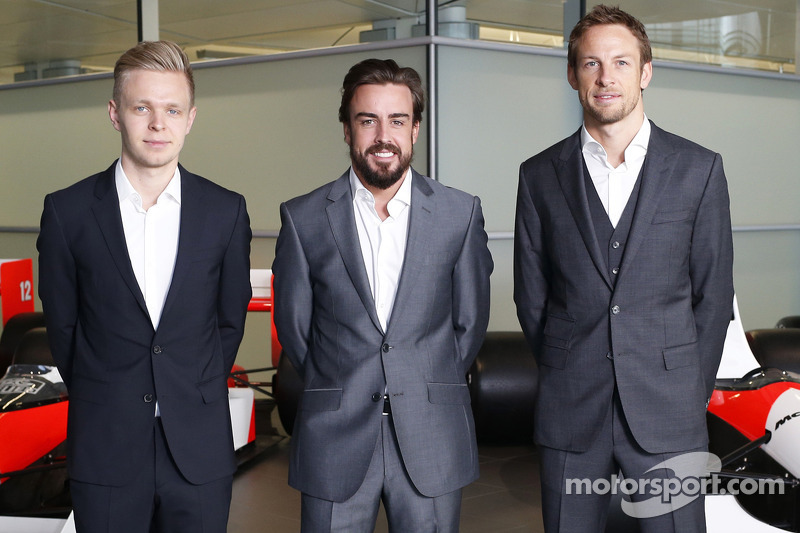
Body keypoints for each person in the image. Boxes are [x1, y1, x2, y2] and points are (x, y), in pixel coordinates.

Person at [513, 5, 734, 532]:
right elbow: (532, 296)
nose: (605, 77)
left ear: (646, 72)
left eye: (620, 62)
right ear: (573, 75)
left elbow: (714, 293)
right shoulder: (539, 175)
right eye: (591, 64)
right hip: (571, 407)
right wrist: (567, 367)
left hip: (669, 409)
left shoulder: (699, 169)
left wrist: (688, 387)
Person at [37, 41, 251, 533]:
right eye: (142, 107)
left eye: (172, 109)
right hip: (106, 445)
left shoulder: (226, 211)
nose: (159, 123)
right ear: (115, 114)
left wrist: (188, 387)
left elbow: (228, 322)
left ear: (191, 117)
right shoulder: (67, 213)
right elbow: (65, 329)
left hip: (197, 452)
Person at [272, 58, 493, 532]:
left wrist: (423, 380)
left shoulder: (459, 214)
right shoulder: (303, 218)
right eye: (367, 120)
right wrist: (340, 382)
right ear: (347, 130)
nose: (382, 135)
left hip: (430, 434)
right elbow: (294, 328)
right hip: (335, 435)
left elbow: (469, 324)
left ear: (415, 129)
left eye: (396, 120)